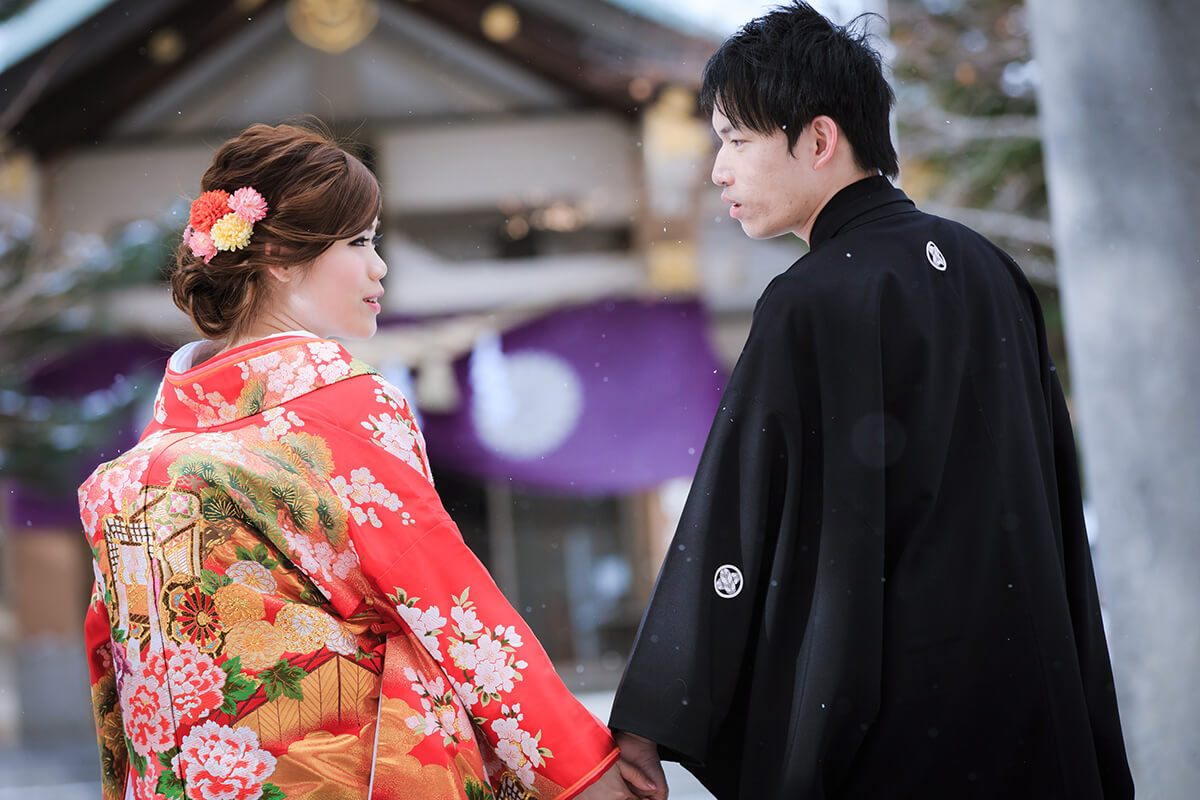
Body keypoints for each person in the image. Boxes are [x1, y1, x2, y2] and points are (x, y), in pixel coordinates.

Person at [609, 4, 1133, 798]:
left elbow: (739, 514)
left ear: (819, 140)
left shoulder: (813, 299)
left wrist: (655, 710)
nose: (719, 170)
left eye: (738, 140)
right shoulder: (993, 272)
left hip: (899, 735)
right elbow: (1057, 503)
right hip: (1033, 710)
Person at [79, 122, 656, 800]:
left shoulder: (135, 470)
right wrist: (581, 768)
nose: (380, 267)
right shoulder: (341, 403)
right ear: (281, 259)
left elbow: (113, 654)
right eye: (359, 243)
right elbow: (446, 601)